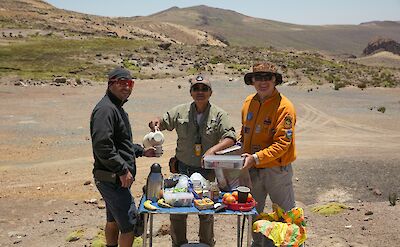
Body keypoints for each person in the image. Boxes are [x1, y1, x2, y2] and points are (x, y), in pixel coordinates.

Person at [148, 74, 236, 247]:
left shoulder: (219, 115)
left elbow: (231, 137)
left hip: (206, 172)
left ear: (210, 92)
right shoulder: (181, 111)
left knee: (206, 212)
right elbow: (163, 121)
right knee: (178, 210)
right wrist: (155, 122)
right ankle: (178, 244)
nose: (200, 92)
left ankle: (207, 243)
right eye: (196, 88)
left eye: (204, 89)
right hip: (182, 169)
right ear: (191, 92)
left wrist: (213, 150)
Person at [90, 67, 156, 247]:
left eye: (130, 83)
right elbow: (103, 145)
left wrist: (142, 151)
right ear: (111, 84)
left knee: (113, 220)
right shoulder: (106, 110)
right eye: (121, 83)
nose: (126, 87)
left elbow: (121, 144)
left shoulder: (116, 108)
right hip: (112, 179)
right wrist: (121, 169)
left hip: (113, 178)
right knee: (130, 226)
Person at [239, 62, 297, 247]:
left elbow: (282, 144)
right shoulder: (249, 102)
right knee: (253, 213)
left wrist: (255, 158)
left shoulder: (284, 107)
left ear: (275, 80)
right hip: (252, 169)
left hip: (276, 171)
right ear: (252, 80)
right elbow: (244, 133)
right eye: (258, 78)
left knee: (285, 216)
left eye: (268, 78)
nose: (263, 82)